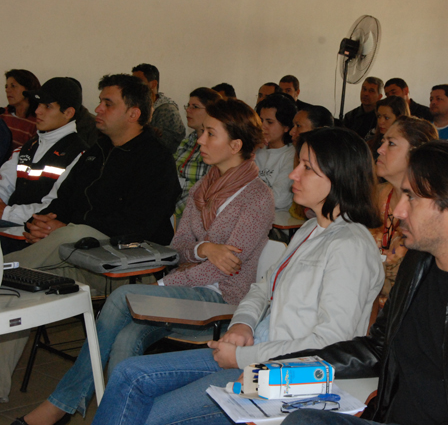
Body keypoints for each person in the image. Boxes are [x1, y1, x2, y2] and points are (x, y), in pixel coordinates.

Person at [90, 127, 385, 425]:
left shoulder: (350, 246)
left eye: (307, 168)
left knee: (148, 415)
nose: (293, 175)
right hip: (254, 351)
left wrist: (244, 359)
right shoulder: (311, 229)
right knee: (129, 374)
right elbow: (262, 287)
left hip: (287, 377)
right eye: (298, 164)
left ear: (341, 177)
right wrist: (243, 323)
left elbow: (331, 342)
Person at [15, 98, 275, 425]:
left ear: (235, 144)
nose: (200, 141)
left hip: (221, 300)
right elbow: (178, 248)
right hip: (185, 295)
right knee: (125, 337)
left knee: (123, 296)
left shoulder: (257, 197)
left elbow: (228, 267)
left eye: (210, 134)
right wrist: (205, 248)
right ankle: (118, 416)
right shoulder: (202, 190)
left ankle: (62, 405)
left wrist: (164, 284)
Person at [279, 140, 448, 425]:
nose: (398, 211)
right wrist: (283, 369)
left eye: (410, 197)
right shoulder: (419, 262)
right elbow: (377, 348)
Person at [4, 74, 179, 290]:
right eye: (100, 101)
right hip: (81, 257)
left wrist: (65, 227)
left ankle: (4, 270)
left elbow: (138, 225)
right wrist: (38, 224)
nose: (98, 109)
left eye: (108, 104)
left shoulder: (155, 158)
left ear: (133, 113)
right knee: (22, 284)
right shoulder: (97, 151)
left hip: (129, 262)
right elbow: (64, 199)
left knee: (74, 234)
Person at [0, 77, 87, 254]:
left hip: (34, 243)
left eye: (47, 106)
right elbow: (3, 185)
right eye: (38, 104)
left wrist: (6, 213)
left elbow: (52, 209)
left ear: (68, 113)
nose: (38, 111)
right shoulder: (26, 147)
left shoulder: (79, 154)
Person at [371, 115, 437, 301]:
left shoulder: (432, 213)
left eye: (391, 143)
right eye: (383, 141)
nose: (380, 149)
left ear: (416, 153)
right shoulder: (372, 197)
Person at [174, 87, 222, 221]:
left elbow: (208, 192)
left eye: (195, 107)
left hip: (195, 215)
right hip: (172, 209)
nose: (188, 110)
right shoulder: (188, 140)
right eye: (188, 106)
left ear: (211, 112)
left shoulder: (217, 147)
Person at [254, 93, 297, 212]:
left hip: (276, 221)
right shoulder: (255, 149)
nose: (262, 127)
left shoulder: (291, 155)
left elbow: (278, 199)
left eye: (270, 122)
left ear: (286, 127)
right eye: (261, 120)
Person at [132, 63, 185, 153]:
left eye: (138, 81)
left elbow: (164, 146)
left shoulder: (167, 110)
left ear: (153, 84)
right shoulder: (136, 105)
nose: (133, 86)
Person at [1, 69, 40, 161]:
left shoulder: (37, 122)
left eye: (13, 86)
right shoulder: (3, 115)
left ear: (28, 89)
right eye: (6, 86)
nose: (7, 90)